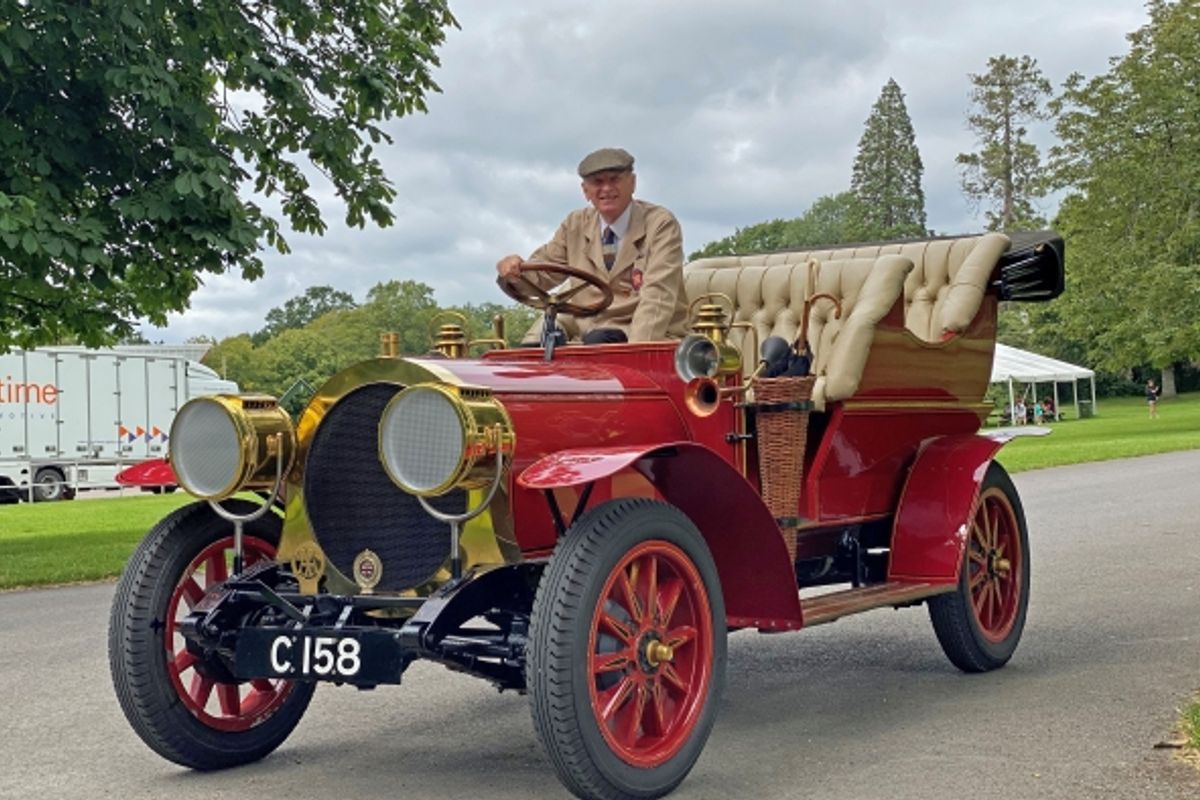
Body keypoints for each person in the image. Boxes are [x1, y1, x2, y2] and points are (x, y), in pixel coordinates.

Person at [496, 147, 688, 344]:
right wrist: (515, 273)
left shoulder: (660, 225)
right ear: (585, 191)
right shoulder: (575, 225)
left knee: (600, 340)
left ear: (632, 183)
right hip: (592, 336)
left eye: (614, 179)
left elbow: (657, 297)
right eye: (598, 182)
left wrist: (634, 353)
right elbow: (542, 275)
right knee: (536, 348)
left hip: (652, 337)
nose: (606, 188)